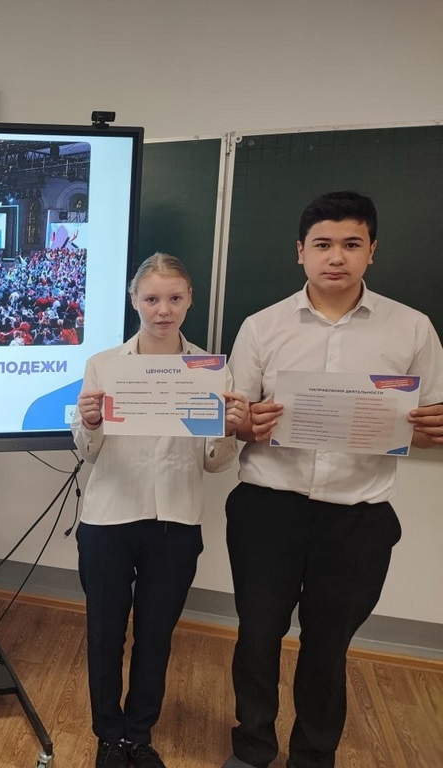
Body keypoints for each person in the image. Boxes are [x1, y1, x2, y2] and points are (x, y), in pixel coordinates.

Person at [222, 191, 443, 768]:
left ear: (372, 250)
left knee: (328, 645)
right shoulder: (261, 326)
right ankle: (252, 747)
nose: (336, 257)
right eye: (322, 244)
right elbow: (232, 417)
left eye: (351, 244)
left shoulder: (412, 328)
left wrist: (432, 430)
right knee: (257, 635)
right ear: (300, 252)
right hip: (268, 508)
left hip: (357, 516)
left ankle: (315, 755)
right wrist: (246, 424)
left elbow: (430, 420)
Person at [73, 253, 247, 768]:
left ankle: (138, 734)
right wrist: (90, 422)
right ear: (134, 301)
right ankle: (108, 735)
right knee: (105, 634)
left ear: (190, 300)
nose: (163, 309)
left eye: (174, 298)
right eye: (151, 298)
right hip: (108, 518)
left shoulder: (212, 370)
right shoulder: (104, 364)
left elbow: (214, 463)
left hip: (176, 521)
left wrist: (227, 431)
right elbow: (87, 451)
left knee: (155, 636)